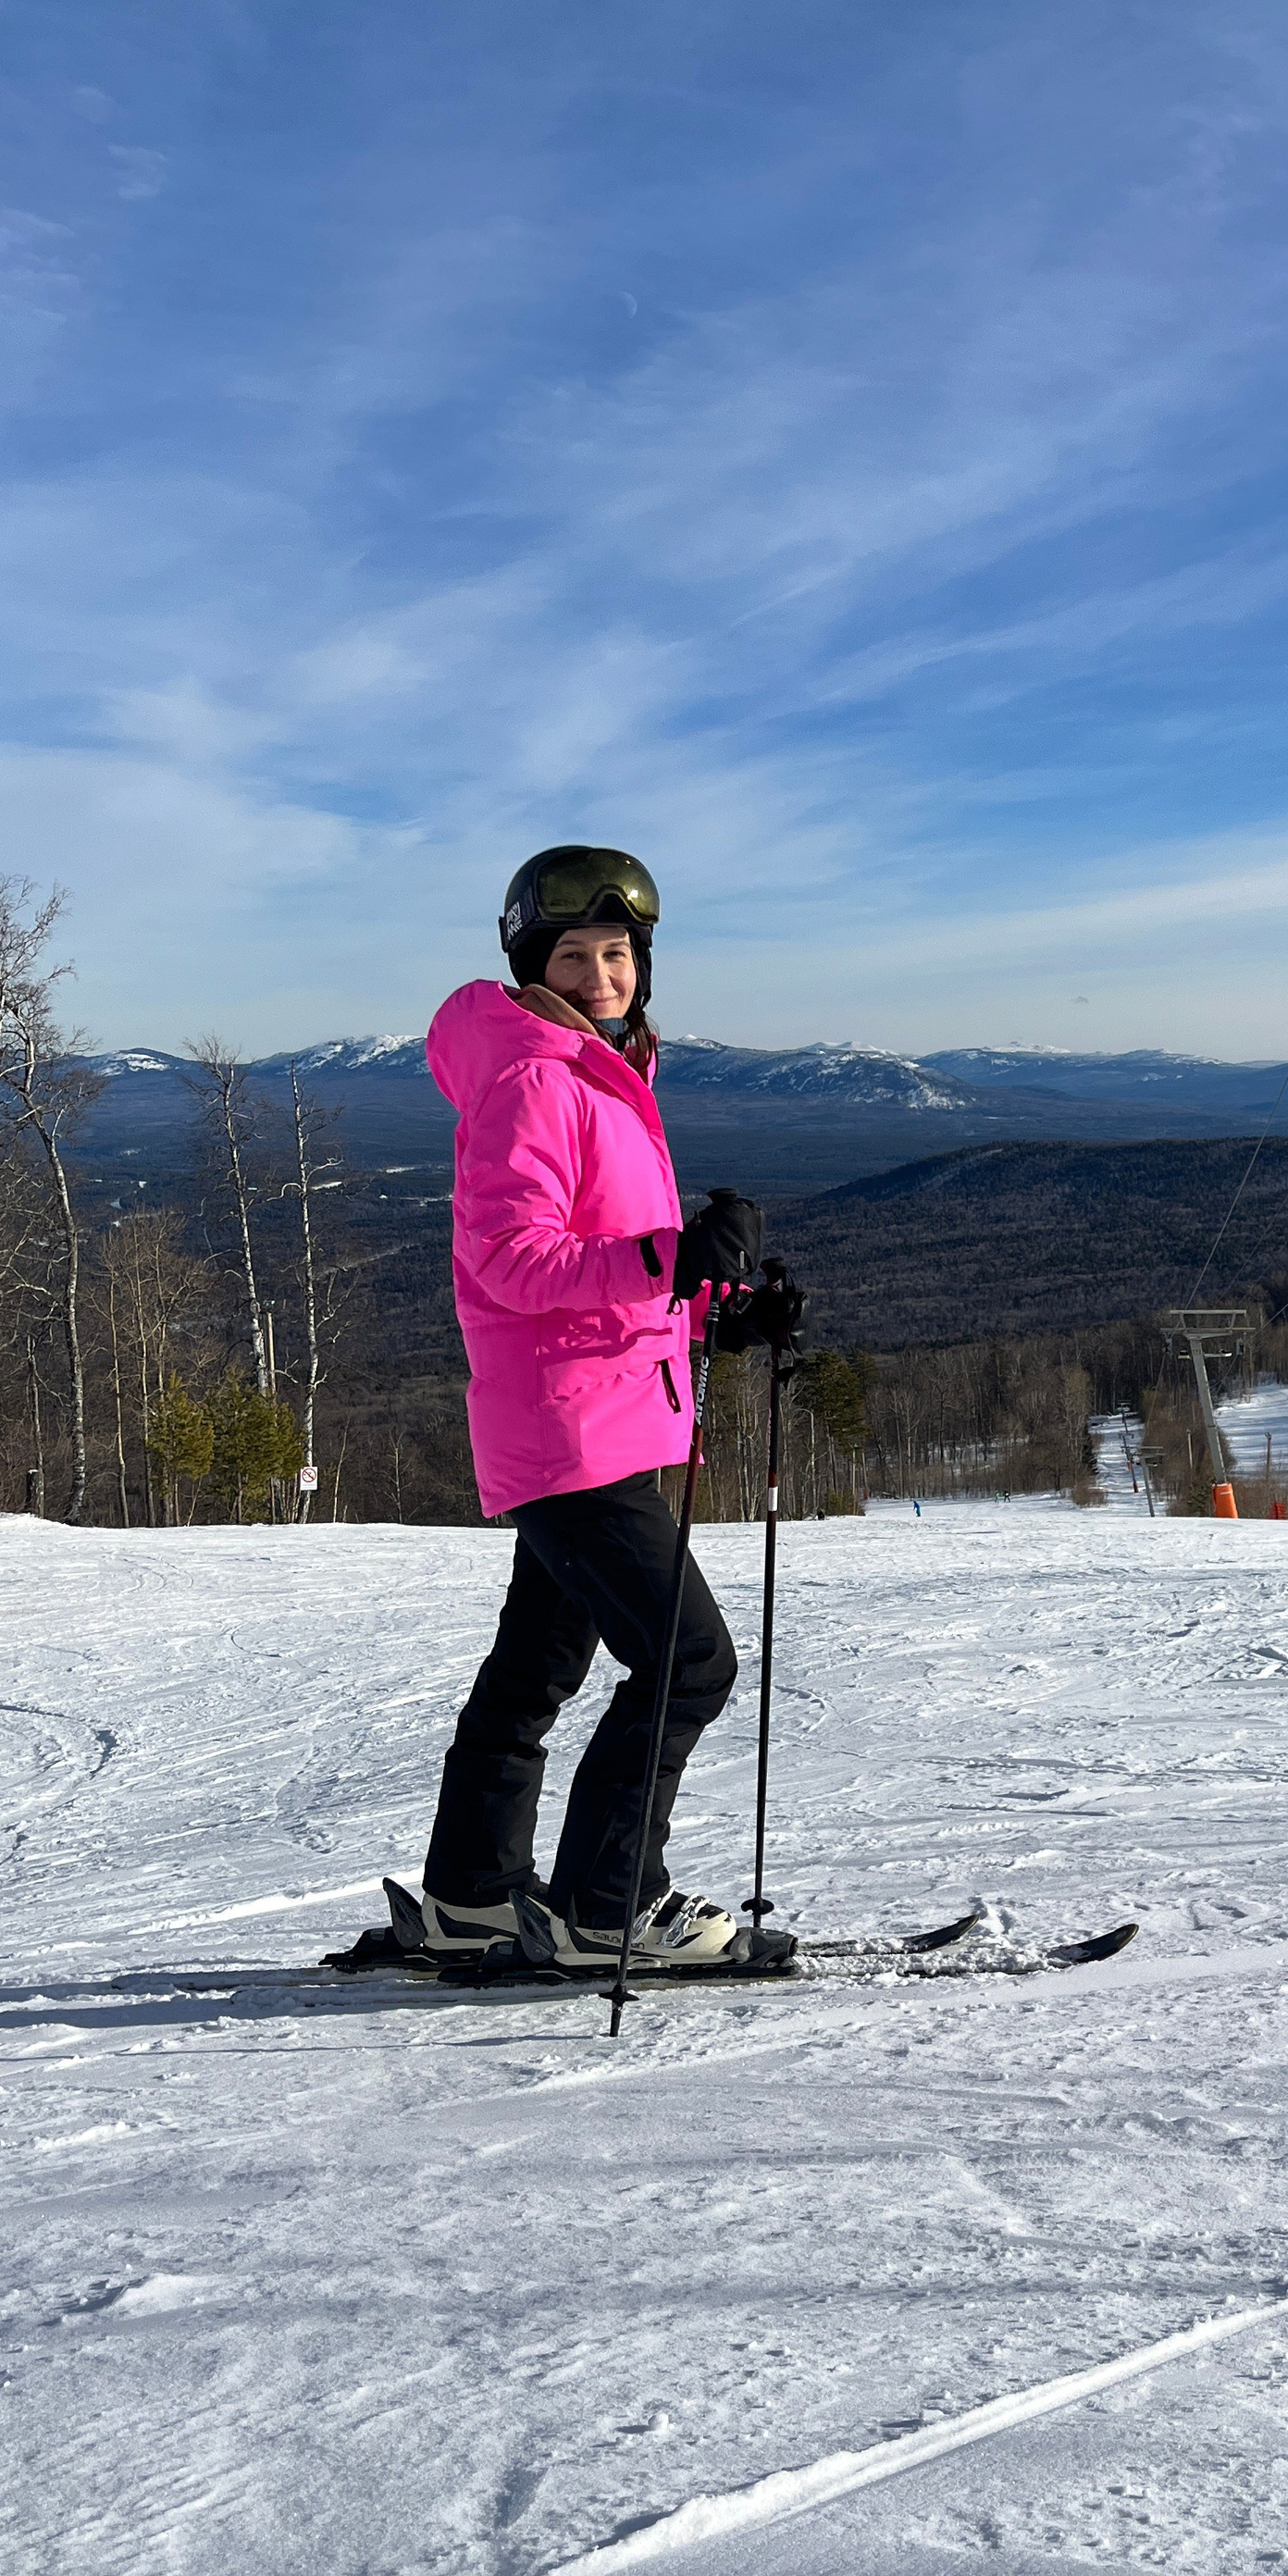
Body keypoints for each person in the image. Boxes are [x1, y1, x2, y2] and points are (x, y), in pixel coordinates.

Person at [409, 844, 795, 1975]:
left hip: (599, 1414)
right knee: (691, 1663)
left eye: (616, 954)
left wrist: (714, 1311)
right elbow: (513, 1261)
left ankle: (472, 1896)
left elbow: (605, 1273)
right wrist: (669, 1255)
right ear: (534, 962)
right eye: (572, 954)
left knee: (536, 1669)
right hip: (573, 1432)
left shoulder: (599, 1072)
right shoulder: (538, 1078)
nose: (598, 974)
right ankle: (609, 1905)